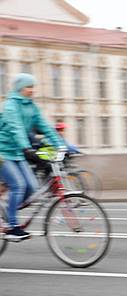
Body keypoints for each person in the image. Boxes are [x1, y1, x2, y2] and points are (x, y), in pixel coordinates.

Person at [0, 73, 64, 241]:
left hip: (16, 152)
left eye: (33, 86)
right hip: (2, 152)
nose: (32, 90)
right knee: (18, 185)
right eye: (29, 86)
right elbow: (16, 129)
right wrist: (26, 147)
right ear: (20, 88)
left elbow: (45, 127)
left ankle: (7, 212)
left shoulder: (31, 107)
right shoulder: (10, 106)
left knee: (32, 186)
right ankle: (13, 227)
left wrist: (60, 145)